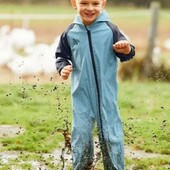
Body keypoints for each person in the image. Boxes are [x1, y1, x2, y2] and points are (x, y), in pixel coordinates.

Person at [55, 0, 135, 169]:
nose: (90, 8)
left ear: (103, 4)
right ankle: (83, 166)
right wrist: (63, 68)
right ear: (74, 3)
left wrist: (125, 49)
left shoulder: (111, 29)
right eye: (84, 3)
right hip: (81, 96)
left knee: (111, 137)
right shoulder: (70, 32)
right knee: (81, 136)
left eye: (95, 3)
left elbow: (128, 53)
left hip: (107, 96)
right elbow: (61, 56)